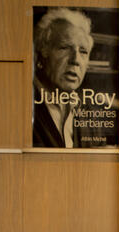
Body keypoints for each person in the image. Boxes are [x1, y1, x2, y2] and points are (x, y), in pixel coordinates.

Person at [33, 8, 94, 147]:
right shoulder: (23, 105)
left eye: (83, 52)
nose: (76, 60)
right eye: (65, 48)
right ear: (42, 52)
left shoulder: (87, 111)